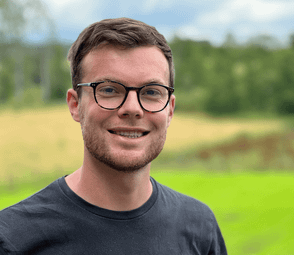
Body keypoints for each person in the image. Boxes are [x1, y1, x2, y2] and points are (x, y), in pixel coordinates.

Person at [0, 18, 227, 254]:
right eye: (109, 90)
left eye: (151, 92)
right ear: (75, 105)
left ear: (169, 109)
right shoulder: (13, 239)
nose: (132, 108)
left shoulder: (200, 229)